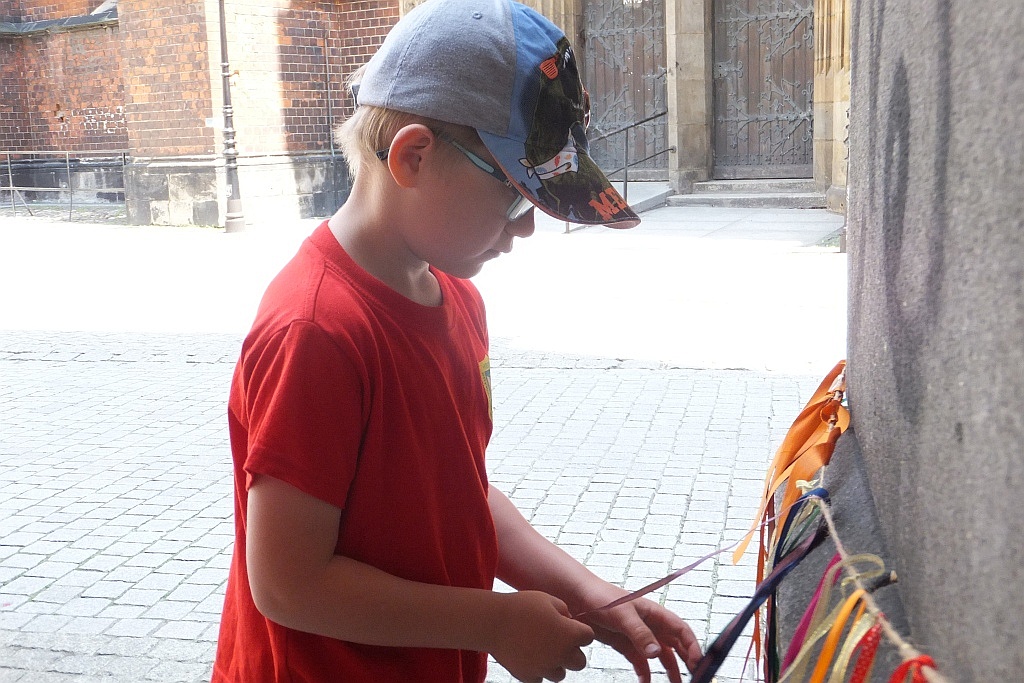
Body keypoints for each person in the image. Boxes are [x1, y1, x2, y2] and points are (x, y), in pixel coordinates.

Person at [211, 1, 701, 681]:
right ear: (413, 157)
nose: (526, 227)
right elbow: (289, 584)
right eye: (516, 196)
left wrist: (591, 594)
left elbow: (460, 496)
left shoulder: (457, 299)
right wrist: (491, 621)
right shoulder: (317, 331)